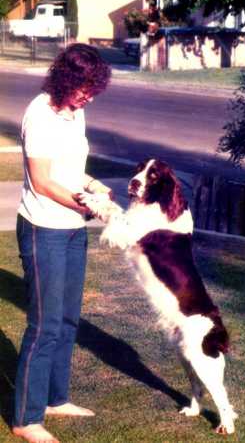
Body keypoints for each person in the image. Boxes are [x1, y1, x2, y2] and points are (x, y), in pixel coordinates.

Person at [12, 43, 112, 443]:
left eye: (93, 89)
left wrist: (92, 185)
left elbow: (71, 170)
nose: (89, 96)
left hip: (72, 228)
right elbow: (43, 181)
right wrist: (88, 207)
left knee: (69, 319)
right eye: (84, 87)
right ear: (66, 80)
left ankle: (56, 398)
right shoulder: (40, 115)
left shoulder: (76, 112)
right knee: (45, 325)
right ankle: (25, 418)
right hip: (43, 229)